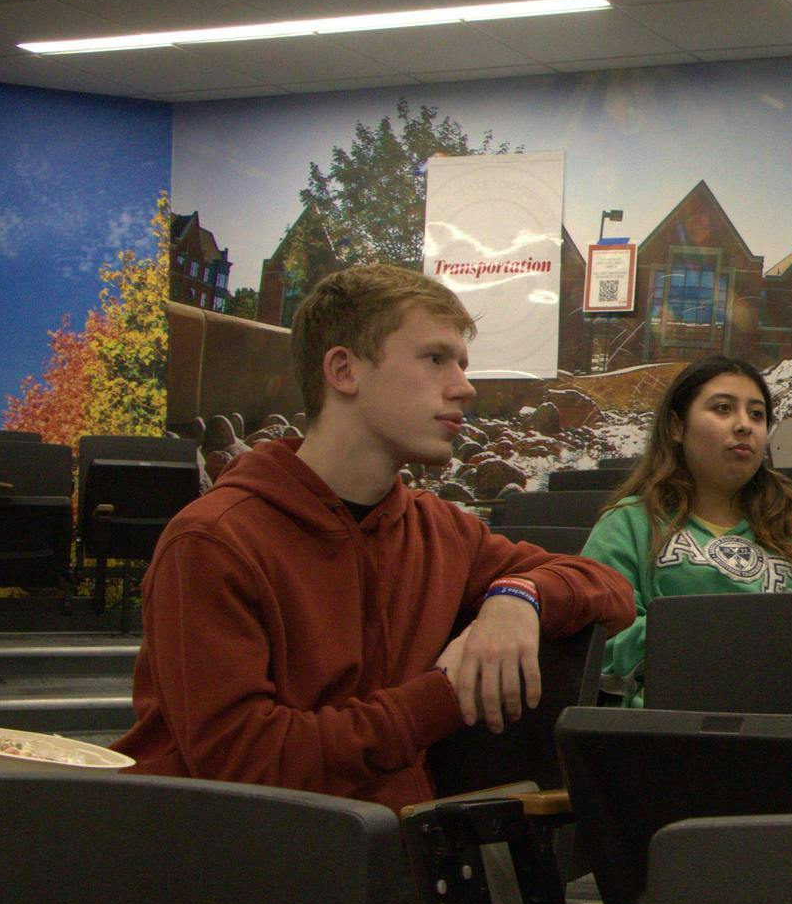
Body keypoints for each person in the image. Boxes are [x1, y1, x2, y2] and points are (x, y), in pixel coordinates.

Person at [115, 264, 635, 813]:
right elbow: (248, 764)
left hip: (392, 858)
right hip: (236, 866)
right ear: (344, 370)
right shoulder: (214, 540)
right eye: (436, 359)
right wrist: (443, 694)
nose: (464, 387)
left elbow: (609, 586)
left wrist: (518, 598)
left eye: (462, 364)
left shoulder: (439, 529)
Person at [581, 355, 792, 706]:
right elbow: (603, 642)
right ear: (676, 427)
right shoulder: (630, 523)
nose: (744, 425)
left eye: (757, 414)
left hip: (787, 717)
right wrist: (727, 636)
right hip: (664, 722)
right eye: (723, 409)